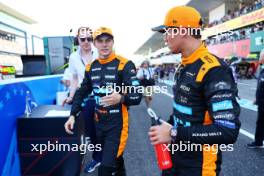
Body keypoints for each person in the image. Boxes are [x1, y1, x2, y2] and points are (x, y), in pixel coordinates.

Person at [148, 6, 241, 176]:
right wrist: (167, 125)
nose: (165, 37)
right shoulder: (184, 64)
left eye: (167, 31)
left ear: (183, 30)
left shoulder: (214, 70)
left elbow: (228, 130)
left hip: (199, 166)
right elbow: (184, 109)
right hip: (175, 157)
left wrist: (173, 132)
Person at [65, 27, 141, 176]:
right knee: (116, 161)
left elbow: (137, 95)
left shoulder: (124, 64)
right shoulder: (91, 67)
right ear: (95, 43)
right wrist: (73, 114)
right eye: (100, 41)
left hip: (117, 125)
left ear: (113, 42)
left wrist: (121, 98)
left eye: (108, 41)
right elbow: (81, 93)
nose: (104, 44)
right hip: (99, 122)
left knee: (105, 168)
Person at [63, 27, 101, 173]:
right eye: (82, 39)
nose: (86, 42)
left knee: (105, 130)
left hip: (103, 97)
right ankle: (97, 158)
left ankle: (108, 157)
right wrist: (71, 97)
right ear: (77, 40)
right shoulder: (73, 57)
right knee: (90, 131)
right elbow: (73, 78)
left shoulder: (100, 52)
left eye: (89, 39)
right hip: (86, 98)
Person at [248, 49, 264, 148]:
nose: (259, 58)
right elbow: (261, 86)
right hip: (262, 103)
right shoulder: (262, 70)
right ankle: (258, 141)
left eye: (261, 56)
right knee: (260, 123)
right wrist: (256, 99)